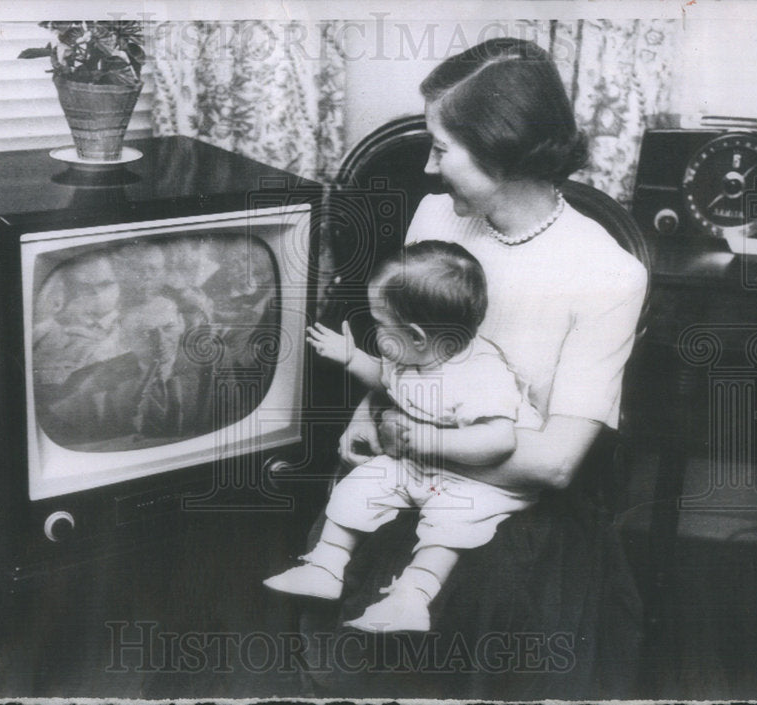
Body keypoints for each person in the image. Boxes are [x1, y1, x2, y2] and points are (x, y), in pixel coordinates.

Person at [301, 38, 648, 699]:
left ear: (501, 150)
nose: (428, 168)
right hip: (411, 467)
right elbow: (408, 343)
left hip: (518, 507)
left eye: (441, 149)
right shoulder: (436, 213)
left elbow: (553, 464)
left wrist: (413, 440)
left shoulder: (609, 273)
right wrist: (367, 413)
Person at [265, 241, 543, 632]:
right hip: (422, 463)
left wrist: (432, 442)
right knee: (361, 484)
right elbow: (388, 381)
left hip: (479, 478)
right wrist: (351, 358)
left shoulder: (481, 375)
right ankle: (326, 566)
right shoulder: (411, 357)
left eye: (380, 324)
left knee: (449, 522)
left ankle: (412, 596)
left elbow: (500, 440)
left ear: (416, 336)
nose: (375, 331)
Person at [39, 294, 213, 448]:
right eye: (146, 332)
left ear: (181, 323)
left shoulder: (213, 367)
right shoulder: (91, 381)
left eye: (168, 327)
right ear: (124, 335)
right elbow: (65, 437)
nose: (160, 341)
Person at [32, 251, 124, 386]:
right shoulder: (45, 330)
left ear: (120, 283)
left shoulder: (129, 327)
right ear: (70, 289)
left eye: (105, 284)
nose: (97, 293)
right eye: (85, 287)